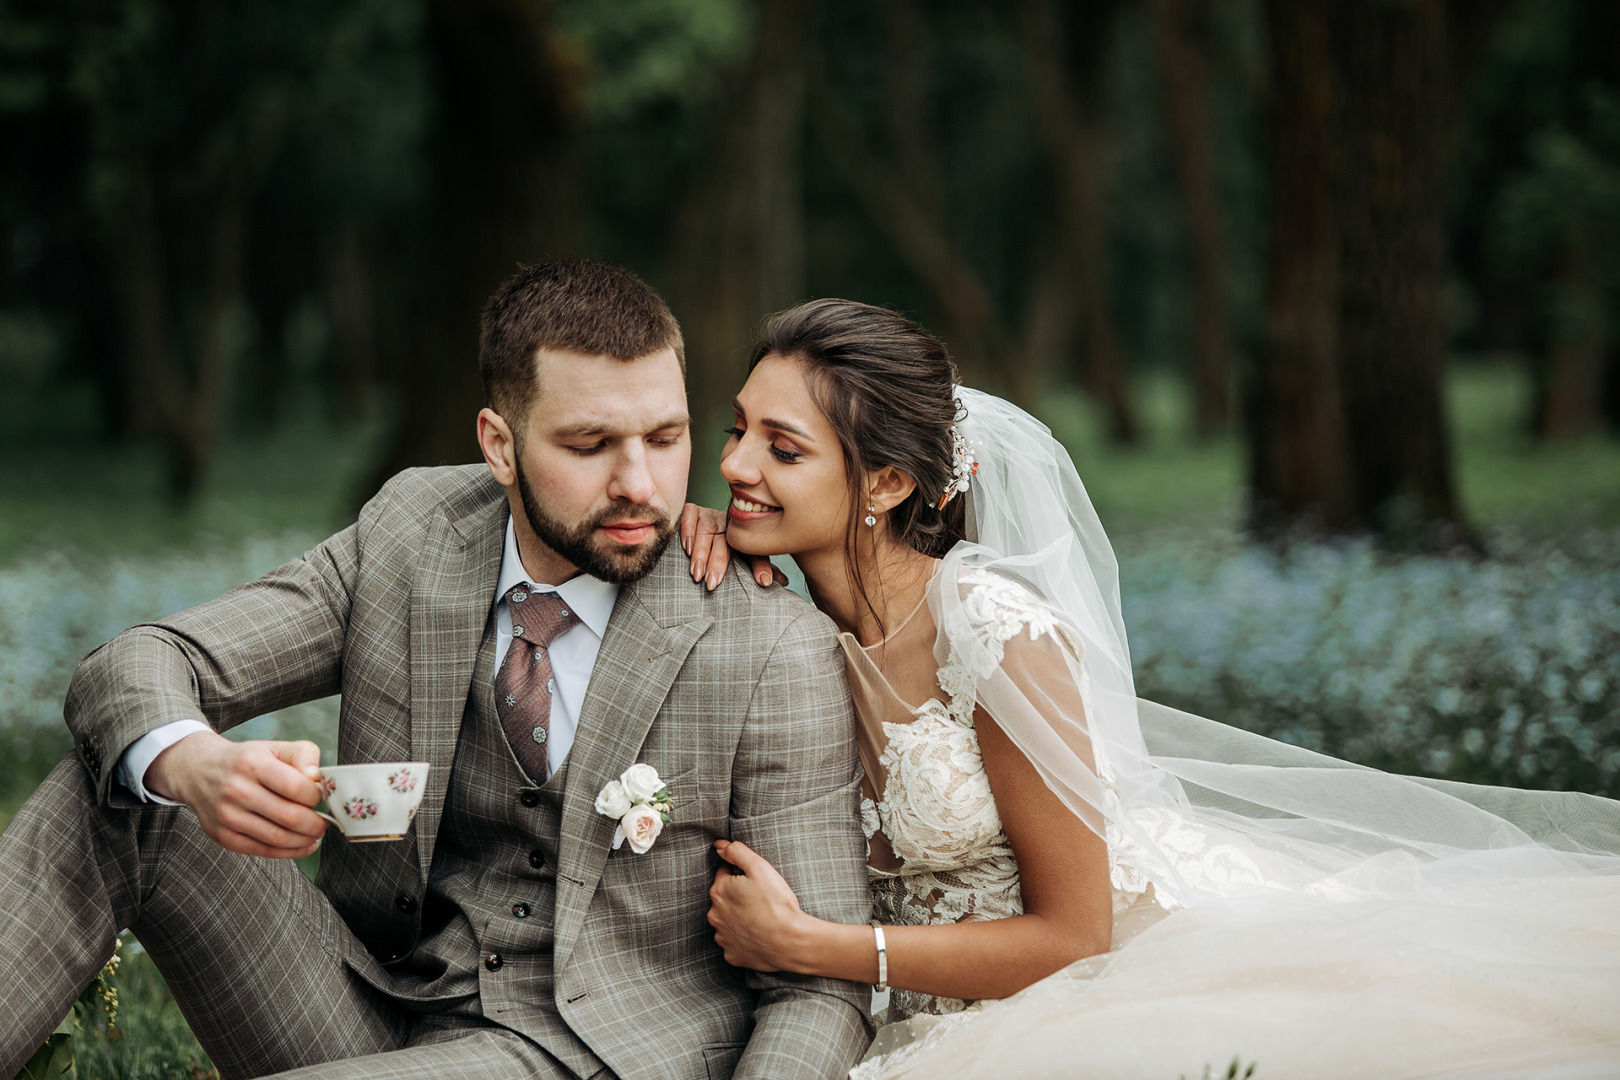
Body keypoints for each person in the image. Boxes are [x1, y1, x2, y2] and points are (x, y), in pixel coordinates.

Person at [683, 298, 1620, 1079]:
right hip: (916, 1002)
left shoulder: (986, 629)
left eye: (782, 448)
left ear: (885, 482)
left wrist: (818, 947)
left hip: (1118, 976)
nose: (732, 467)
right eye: (735, 431)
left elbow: (1078, 935)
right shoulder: (790, 627)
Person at [0, 261, 874, 1080]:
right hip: (368, 999)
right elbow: (141, 660)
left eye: (666, 436)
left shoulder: (767, 645)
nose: (640, 484)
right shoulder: (415, 532)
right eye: (589, 444)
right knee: (121, 790)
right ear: (499, 445)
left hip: (584, 1051)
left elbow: (818, 992)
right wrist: (196, 764)